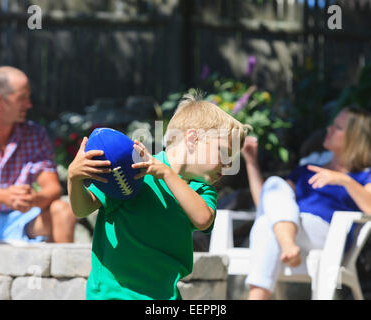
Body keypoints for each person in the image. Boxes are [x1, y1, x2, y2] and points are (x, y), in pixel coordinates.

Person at [67, 92, 252, 299]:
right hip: (115, 294)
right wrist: (73, 178)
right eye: (224, 152)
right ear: (193, 139)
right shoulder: (134, 171)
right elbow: (82, 209)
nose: (227, 165)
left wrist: (166, 173)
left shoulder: (201, 189)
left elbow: (203, 219)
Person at [241, 107, 371, 300]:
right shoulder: (307, 170)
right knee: (274, 187)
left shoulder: (366, 175)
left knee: (266, 224)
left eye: (337, 127)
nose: (329, 129)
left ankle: (280, 256)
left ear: (354, 137)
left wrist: (344, 180)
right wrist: (251, 162)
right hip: (292, 228)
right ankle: (287, 246)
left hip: (327, 234)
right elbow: (266, 203)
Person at [0, 66, 77, 246]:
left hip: (24, 219)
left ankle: (58, 275)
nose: (29, 104)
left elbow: (53, 188)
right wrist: (4, 196)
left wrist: (33, 198)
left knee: (63, 211)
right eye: (21, 98)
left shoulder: (36, 134)